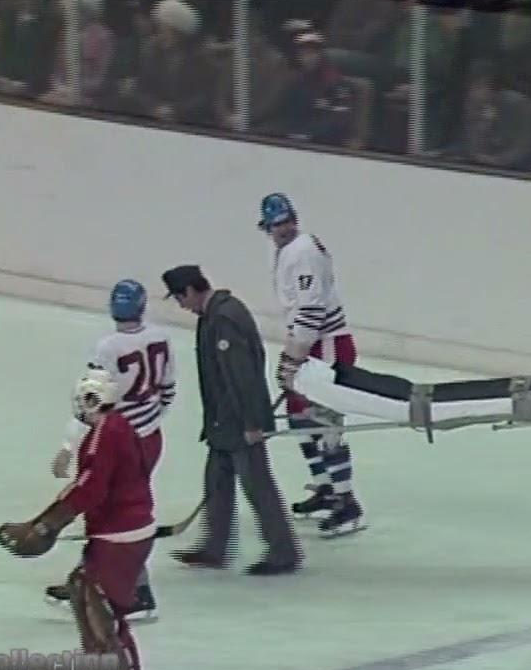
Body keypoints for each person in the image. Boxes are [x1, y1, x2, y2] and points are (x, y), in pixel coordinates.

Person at [0, 369, 155, 670]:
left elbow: (88, 488)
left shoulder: (104, 434)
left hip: (121, 536)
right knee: (80, 591)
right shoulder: (116, 427)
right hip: (120, 532)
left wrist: (43, 526)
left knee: (105, 617)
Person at [44, 279, 176, 621]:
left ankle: (130, 590)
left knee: (111, 511)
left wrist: (67, 446)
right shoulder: (160, 337)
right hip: (150, 436)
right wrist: (148, 421)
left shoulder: (107, 347)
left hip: (119, 438)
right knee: (128, 507)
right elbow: (168, 389)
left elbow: (93, 399)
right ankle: (103, 579)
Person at [161, 265, 303, 575]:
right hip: (223, 420)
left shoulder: (224, 319)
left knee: (257, 485)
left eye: (178, 298)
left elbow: (242, 376)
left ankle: (283, 550)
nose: (180, 305)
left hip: (240, 420)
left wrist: (253, 423)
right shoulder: (212, 315)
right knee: (217, 481)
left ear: (190, 291)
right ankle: (215, 546)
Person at [259, 193, 367, 538]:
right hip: (312, 343)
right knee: (298, 416)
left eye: (287, 221)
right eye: (276, 224)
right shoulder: (292, 251)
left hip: (326, 345)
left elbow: (311, 311)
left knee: (326, 424)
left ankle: (347, 502)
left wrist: (294, 357)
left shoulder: (302, 252)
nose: (283, 228)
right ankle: (325, 488)